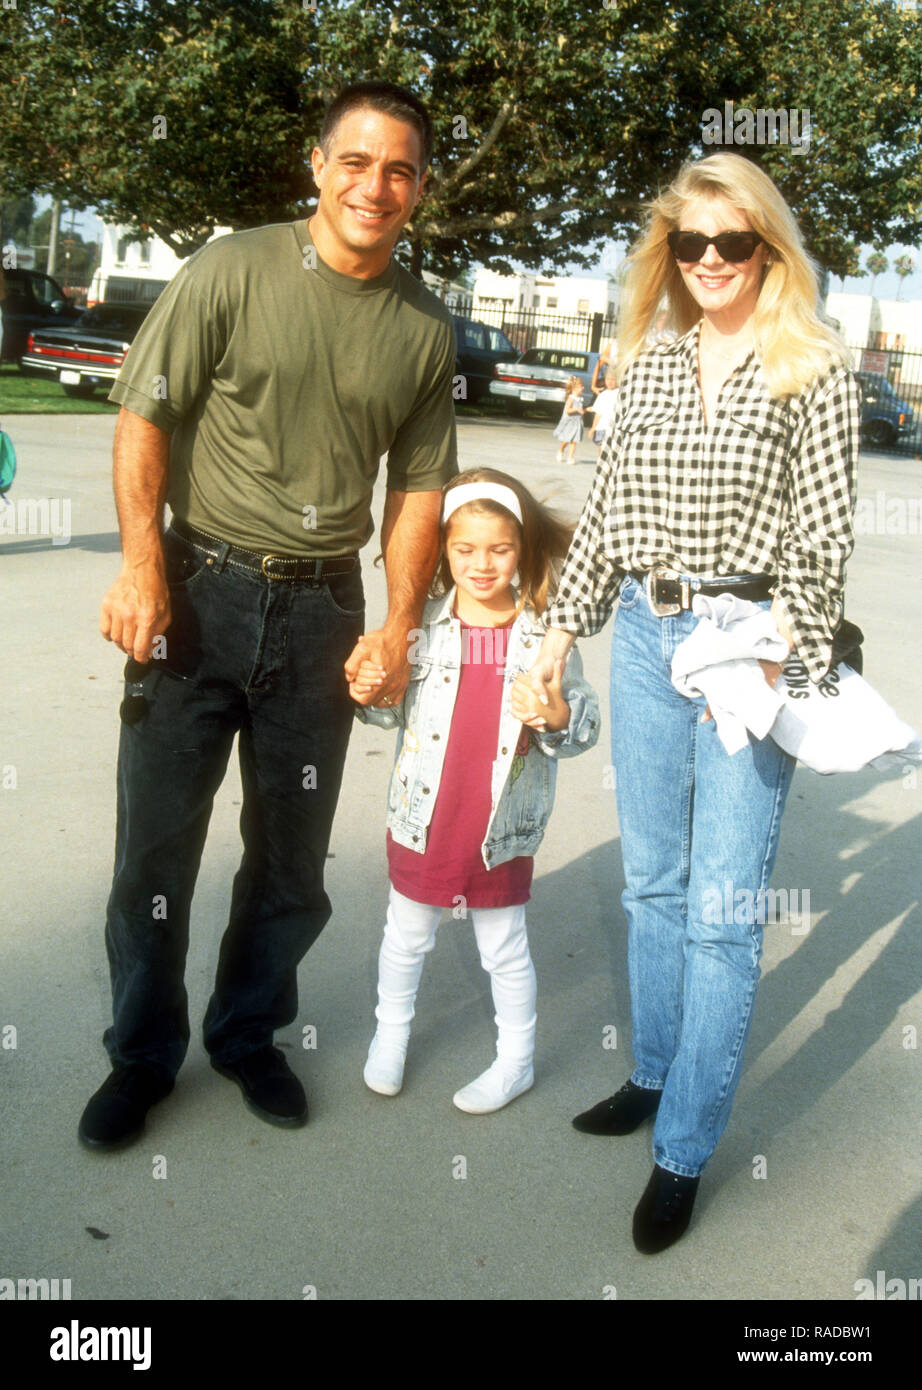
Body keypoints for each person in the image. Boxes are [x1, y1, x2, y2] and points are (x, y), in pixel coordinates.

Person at [78, 80, 458, 1150]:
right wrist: (143, 569)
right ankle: (141, 1056)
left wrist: (396, 626)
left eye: (398, 169)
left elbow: (419, 490)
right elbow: (144, 415)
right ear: (316, 164)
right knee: (155, 850)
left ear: (419, 188)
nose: (373, 185)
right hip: (197, 597)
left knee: (290, 858)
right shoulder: (233, 267)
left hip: (323, 615)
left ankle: (247, 1035)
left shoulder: (424, 328)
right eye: (355, 160)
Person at [530, 152, 859, 1252]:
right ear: (667, 253)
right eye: (691, 243)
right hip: (642, 628)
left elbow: (822, 539)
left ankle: (683, 1151)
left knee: (723, 912)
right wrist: (553, 634)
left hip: (746, 647)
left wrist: (789, 656)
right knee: (650, 881)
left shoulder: (812, 365)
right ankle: (656, 1071)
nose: (711, 262)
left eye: (734, 242)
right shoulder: (654, 358)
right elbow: (611, 505)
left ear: (769, 248)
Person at [348, 468, 599, 1113]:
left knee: (504, 946)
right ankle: (391, 1036)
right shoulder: (421, 626)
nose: (481, 565)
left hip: (500, 825)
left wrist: (557, 718)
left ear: (523, 551)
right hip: (425, 815)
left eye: (499, 549)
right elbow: (388, 712)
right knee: (406, 935)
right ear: (442, 551)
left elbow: (580, 725)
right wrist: (369, 692)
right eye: (464, 550)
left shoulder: (548, 635)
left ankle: (516, 1061)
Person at [552, 376, 585, 464]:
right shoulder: (571, 399)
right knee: (567, 440)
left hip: (577, 423)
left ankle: (570, 457)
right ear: (574, 388)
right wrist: (577, 410)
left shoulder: (580, 399)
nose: (583, 388)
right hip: (570, 423)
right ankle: (561, 450)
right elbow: (568, 410)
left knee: (574, 441)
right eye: (581, 386)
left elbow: (580, 411)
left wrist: (585, 410)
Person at [588, 369, 618, 459]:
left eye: (613, 379)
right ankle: (601, 463)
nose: (610, 382)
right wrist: (593, 428)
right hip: (602, 426)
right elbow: (598, 413)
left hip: (614, 427)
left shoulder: (619, 393)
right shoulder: (602, 395)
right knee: (601, 447)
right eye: (608, 379)